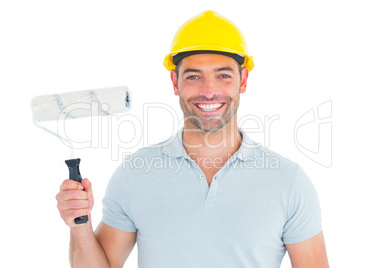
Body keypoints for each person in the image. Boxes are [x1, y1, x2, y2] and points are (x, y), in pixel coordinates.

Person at [56, 10, 329, 268]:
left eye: (223, 75)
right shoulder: (134, 174)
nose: (209, 91)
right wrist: (79, 226)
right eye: (194, 76)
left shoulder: (288, 181)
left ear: (243, 80)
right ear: (175, 83)